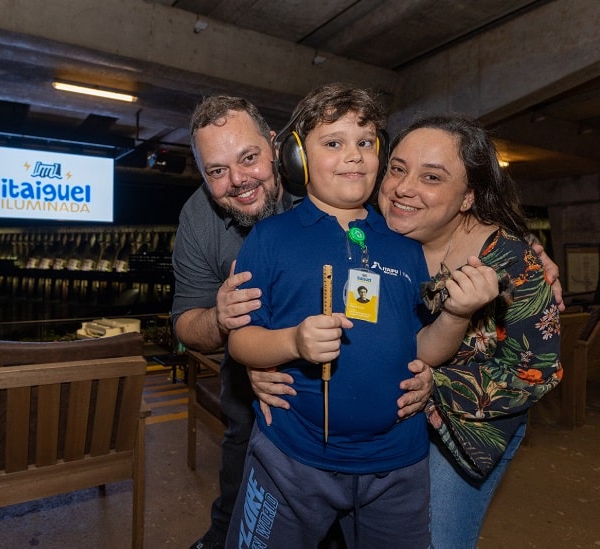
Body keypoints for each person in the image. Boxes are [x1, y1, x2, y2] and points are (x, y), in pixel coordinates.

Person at [225, 83, 497, 548]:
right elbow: (240, 341)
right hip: (291, 456)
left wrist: (456, 313)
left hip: (397, 463)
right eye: (333, 143)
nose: (354, 156)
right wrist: (293, 342)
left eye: (366, 143)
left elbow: (422, 350)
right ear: (297, 158)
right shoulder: (269, 238)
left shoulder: (405, 246)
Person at [171, 95, 434, 549]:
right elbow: (184, 324)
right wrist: (239, 330)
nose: (237, 180)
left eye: (249, 158)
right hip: (277, 417)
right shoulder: (200, 217)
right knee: (237, 510)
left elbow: (437, 219)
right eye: (216, 171)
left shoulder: (338, 175)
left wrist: (521, 257)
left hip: (382, 447)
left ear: (281, 150)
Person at [377, 114, 563, 548]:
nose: (404, 187)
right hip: (391, 413)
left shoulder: (515, 264)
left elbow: (538, 371)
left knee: (435, 540)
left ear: (466, 199)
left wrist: (434, 385)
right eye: (398, 168)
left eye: (432, 177)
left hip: (470, 423)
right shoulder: (374, 234)